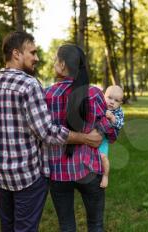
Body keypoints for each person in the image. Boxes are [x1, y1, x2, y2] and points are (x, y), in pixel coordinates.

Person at [0, 32, 102, 232]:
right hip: (27, 177)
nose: (37, 58)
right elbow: (47, 132)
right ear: (16, 54)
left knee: (7, 227)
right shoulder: (28, 85)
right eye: (32, 52)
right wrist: (84, 138)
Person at [42, 44, 119, 232]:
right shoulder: (93, 93)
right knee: (95, 224)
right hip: (89, 168)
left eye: (54, 61)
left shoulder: (47, 95)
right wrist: (100, 132)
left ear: (61, 65)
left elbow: (44, 132)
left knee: (66, 226)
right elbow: (110, 131)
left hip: (58, 172)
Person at [98, 85, 124, 188]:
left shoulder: (118, 112)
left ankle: (105, 176)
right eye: (109, 98)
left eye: (116, 100)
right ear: (103, 96)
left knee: (103, 157)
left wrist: (113, 118)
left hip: (104, 139)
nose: (112, 102)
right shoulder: (99, 105)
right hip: (93, 134)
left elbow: (120, 124)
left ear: (120, 103)